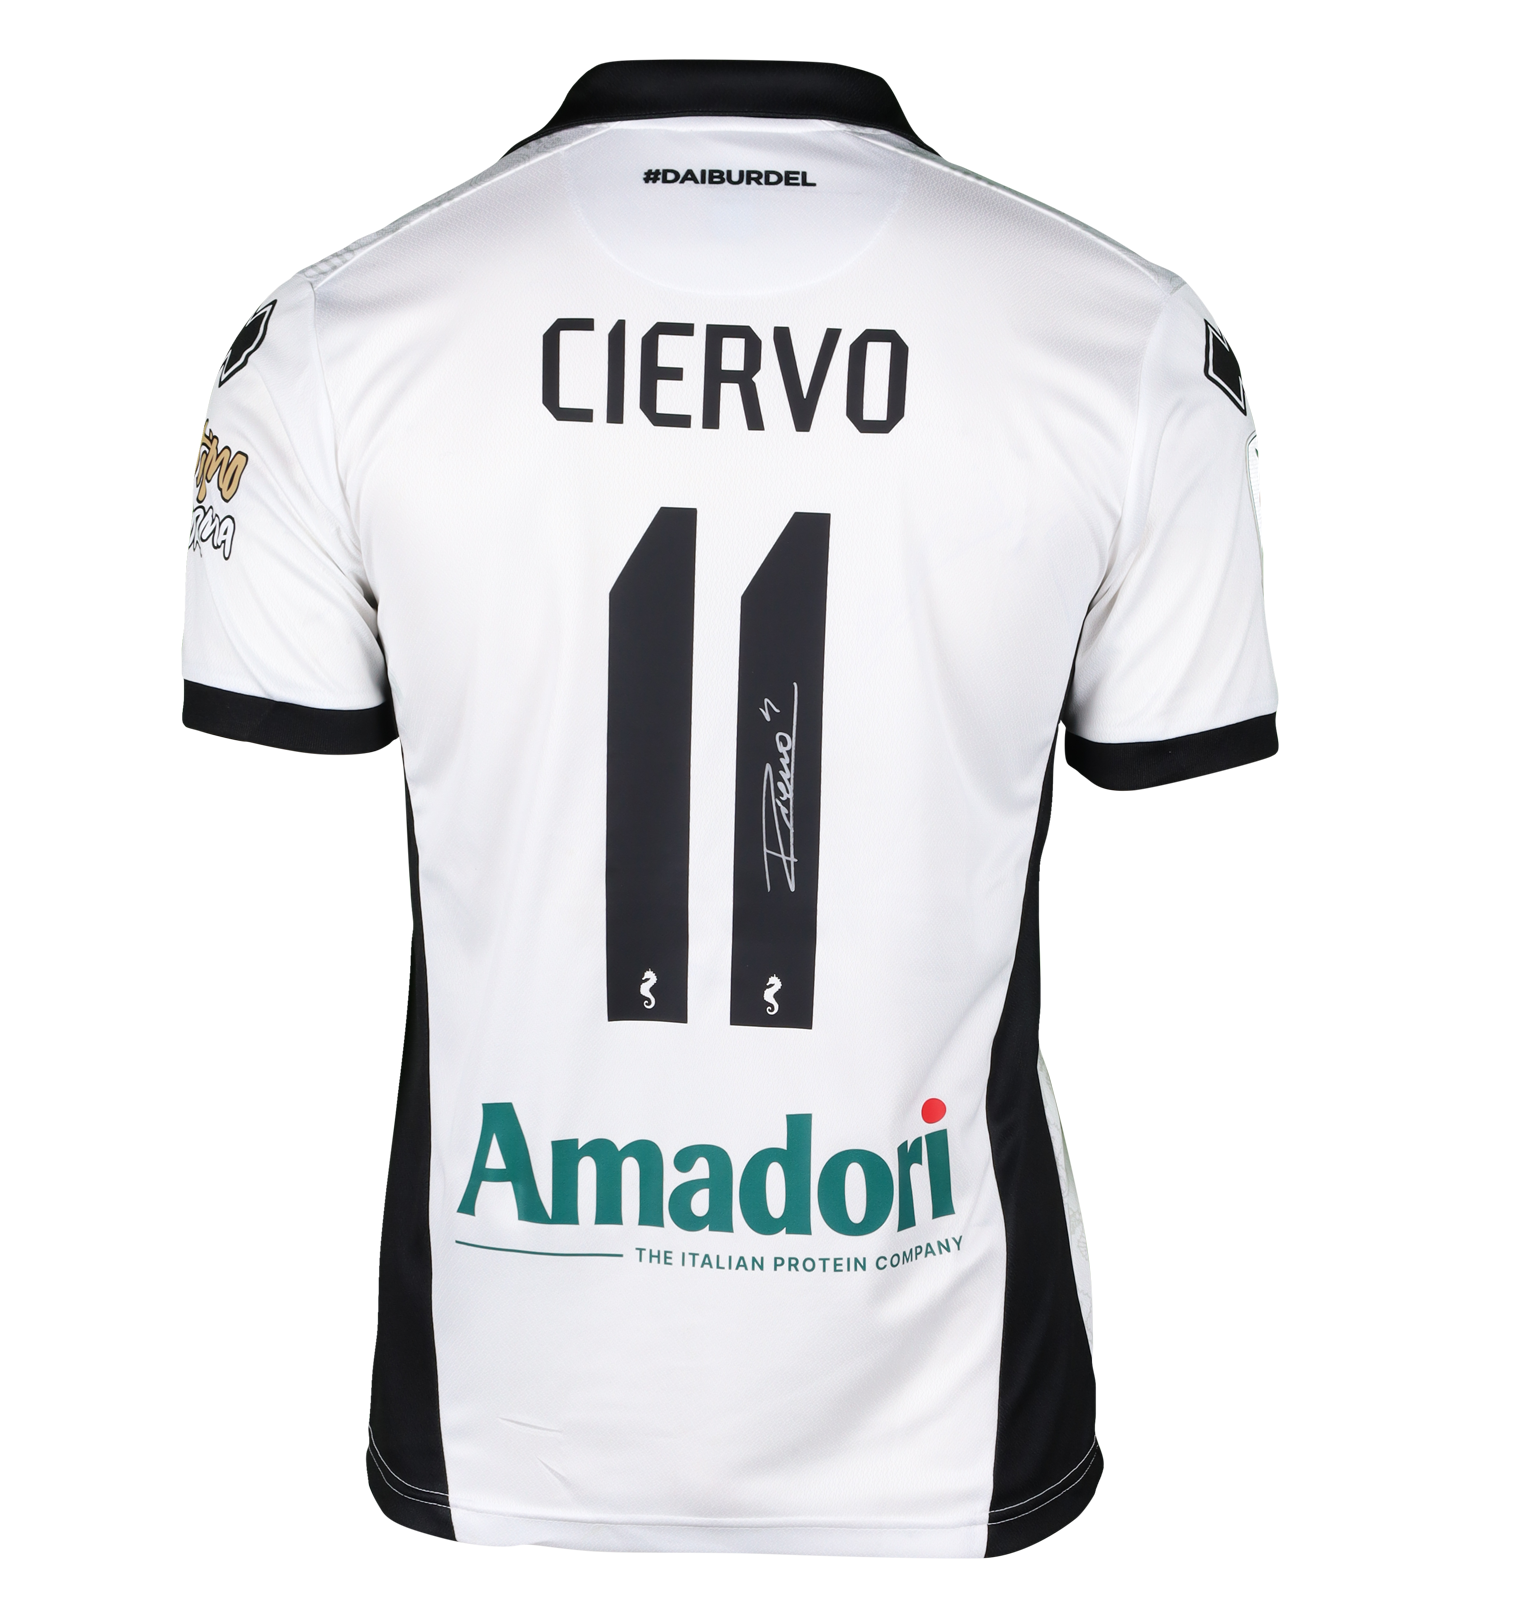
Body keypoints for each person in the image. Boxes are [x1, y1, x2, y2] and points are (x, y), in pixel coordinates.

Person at [182, 59, 1278, 1558]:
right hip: (956, 1470)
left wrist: (249, 1310)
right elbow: (1209, 956)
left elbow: (255, 958)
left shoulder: (333, 344)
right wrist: (1204, 1276)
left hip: (490, 1463)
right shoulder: (1121, 346)